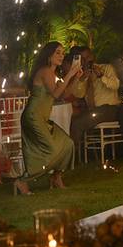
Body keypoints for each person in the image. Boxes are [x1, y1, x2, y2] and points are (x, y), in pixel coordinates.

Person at [17, 42, 81, 195]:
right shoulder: (45, 71)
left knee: (67, 144)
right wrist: (70, 74)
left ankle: (56, 177)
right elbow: (55, 94)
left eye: (62, 53)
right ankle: (22, 181)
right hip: (33, 117)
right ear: (49, 55)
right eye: (58, 53)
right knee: (51, 149)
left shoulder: (53, 74)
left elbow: (64, 95)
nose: (61, 56)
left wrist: (76, 78)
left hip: (42, 118)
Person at [70, 47, 123, 154]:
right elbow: (77, 93)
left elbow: (115, 85)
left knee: (78, 123)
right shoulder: (83, 74)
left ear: (92, 56)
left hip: (110, 109)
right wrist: (82, 79)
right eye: (83, 59)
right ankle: (76, 154)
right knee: (73, 120)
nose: (86, 61)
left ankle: (71, 155)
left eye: (88, 57)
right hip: (93, 110)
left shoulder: (107, 68)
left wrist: (101, 76)